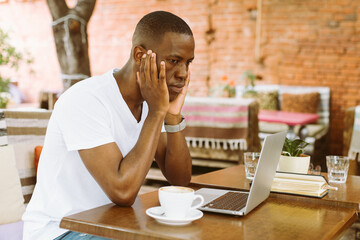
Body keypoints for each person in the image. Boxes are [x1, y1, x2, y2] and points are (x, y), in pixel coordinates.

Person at [22, 10, 194, 240]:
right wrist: (157, 113)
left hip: (110, 225)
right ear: (140, 55)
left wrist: (172, 117)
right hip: (61, 230)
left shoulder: (152, 102)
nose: (183, 74)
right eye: (174, 61)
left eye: (188, 63)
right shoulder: (86, 99)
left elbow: (180, 179)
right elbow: (122, 192)